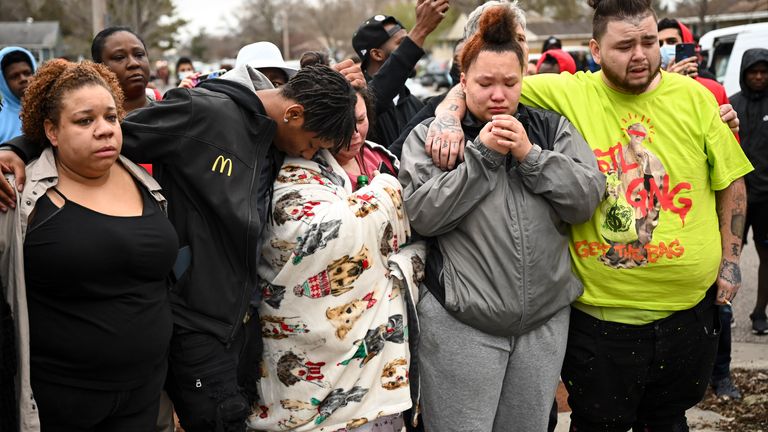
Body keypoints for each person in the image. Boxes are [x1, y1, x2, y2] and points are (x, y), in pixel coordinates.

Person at [424, 0, 752, 429]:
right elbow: (488, 83)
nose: (640, 55)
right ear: (595, 50)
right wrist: (449, 114)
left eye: (649, 42)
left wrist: (730, 264)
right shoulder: (567, 92)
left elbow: (732, 181)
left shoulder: (696, 98)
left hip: (688, 316)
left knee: (670, 421)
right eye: (625, 45)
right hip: (600, 323)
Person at [0, 63, 358, 432]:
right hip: (193, 324)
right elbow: (109, 132)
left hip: (235, 326)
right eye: (313, 143)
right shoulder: (203, 114)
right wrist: (17, 146)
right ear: (293, 114)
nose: (311, 153)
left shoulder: (274, 137)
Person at [399, 6, 604, 431]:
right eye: (485, 83)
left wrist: (530, 156)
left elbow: (586, 199)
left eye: (510, 83)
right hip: (463, 322)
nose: (498, 94)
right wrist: (483, 158)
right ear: (462, 82)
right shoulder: (435, 136)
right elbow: (422, 215)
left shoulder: (549, 129)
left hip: (543, 324)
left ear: (523, 79)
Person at [1, 59, 177, 431]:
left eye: (111, 118)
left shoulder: (145, 182)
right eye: (85, 121)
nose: (105, 131)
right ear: (51, 131)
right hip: (62, 400)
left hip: (146, 393)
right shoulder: (19, 196)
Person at [250, 83, 425, 431]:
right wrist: (386, 190)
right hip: (306, 361)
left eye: (360, 120)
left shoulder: (381, 157)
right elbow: (324, 235)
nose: (353, 133)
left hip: (374, 376)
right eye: (342, 128)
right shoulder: (293, 173)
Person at [656, 16, 744, 401]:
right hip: (660, 230)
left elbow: (730, 167)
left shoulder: (710, 90)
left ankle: (720, 375)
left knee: (718, 312)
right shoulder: (630, 91)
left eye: (673, 41)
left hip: (702, 226)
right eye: (659, 42)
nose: (665, 48)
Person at [388, 0, 530, 160]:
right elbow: (393, 164)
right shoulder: (438, 114)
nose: (513, 48)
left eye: (521, 39)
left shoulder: (547, 118)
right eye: (485, 84)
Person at [352, 0, 447, 146]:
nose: (415, 51)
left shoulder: (414, 104)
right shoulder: (359, 106)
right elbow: (378, 91)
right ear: (377, 54)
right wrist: (421, 29)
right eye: (402, 43)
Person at [731, 48, 768, 337]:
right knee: (730, 254)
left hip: (767, 200)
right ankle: (723, 307)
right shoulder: (732, 105)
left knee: (766, 256)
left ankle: (759, 313)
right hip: (737, 198)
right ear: (744, 74)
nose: (758, 76)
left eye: (763, 71)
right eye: (753, 71)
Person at [0, 47, 36, 142]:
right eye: (14, 76)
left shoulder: (50, 111)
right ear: (3, 83)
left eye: (27, 73)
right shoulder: (1, 119)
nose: (23, 79)